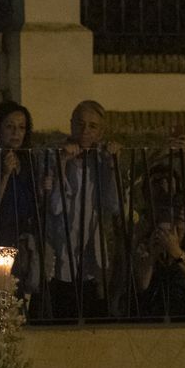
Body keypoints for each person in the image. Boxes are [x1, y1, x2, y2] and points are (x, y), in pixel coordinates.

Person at [44, 99, 123, 319]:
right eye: (80, 124)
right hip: (60, 250)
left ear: (101, 132)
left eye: (92, 126)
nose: (85, 131)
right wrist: (63, 163)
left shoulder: (102, 160)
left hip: (90, 253)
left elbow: (113, 205)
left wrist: (112, 166)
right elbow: (55, 206)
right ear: (71, 125)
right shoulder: (54, 155)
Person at [0, 102, 43, 296]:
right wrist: (5, 174)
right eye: (10, 127)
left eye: (21, 127)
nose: (16, 133)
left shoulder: (28, 160)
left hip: (23, 240)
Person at [132, 204, 185, 318]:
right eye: (177, 205)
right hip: (151, 319)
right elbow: (141, 285)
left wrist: (176, 252)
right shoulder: (148, 246)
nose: (181, 210)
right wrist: (152, 255)